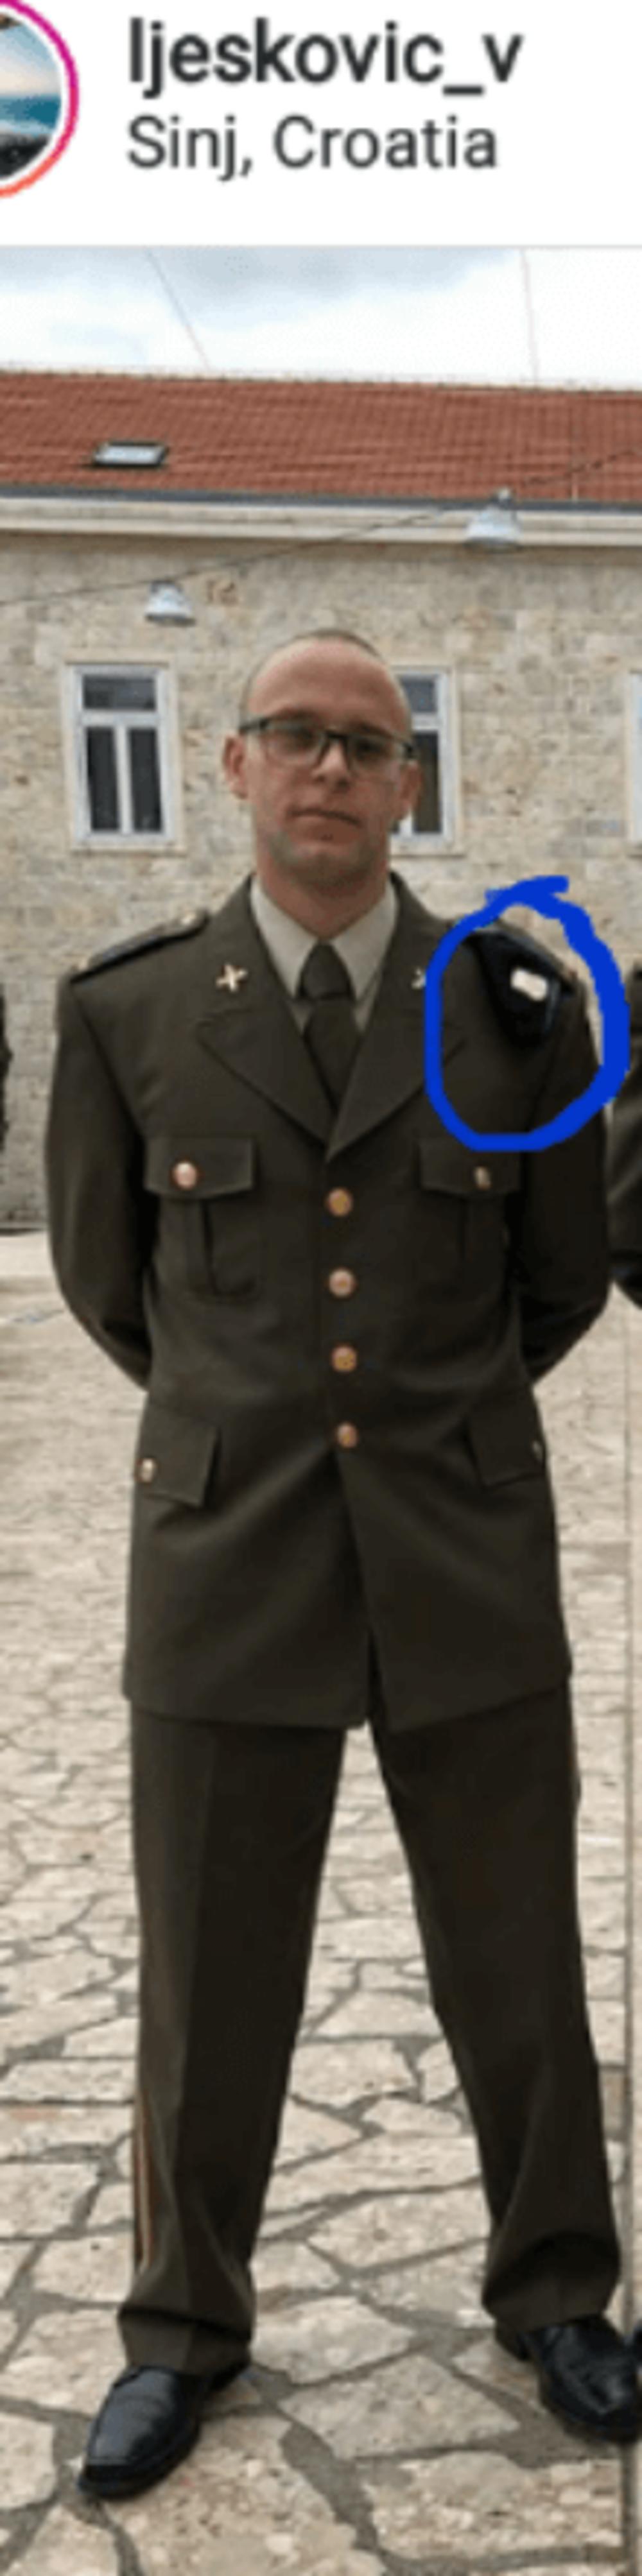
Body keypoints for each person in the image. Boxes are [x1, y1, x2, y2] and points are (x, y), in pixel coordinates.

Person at [46, 627, 638, 2502]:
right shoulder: (131, 1011)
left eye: (369, 746)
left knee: (517, 1959)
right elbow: (108, 1285)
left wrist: (426, 1426)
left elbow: (560, 1277)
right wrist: (262, 1414)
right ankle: (181, 2328)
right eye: (296, 737)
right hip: (228, 1556)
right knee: (206, 1973)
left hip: (463, 1546)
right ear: (232, 765)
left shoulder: (517, 1017)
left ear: (409, 786)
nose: (332, 769)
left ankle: (559, 2294)